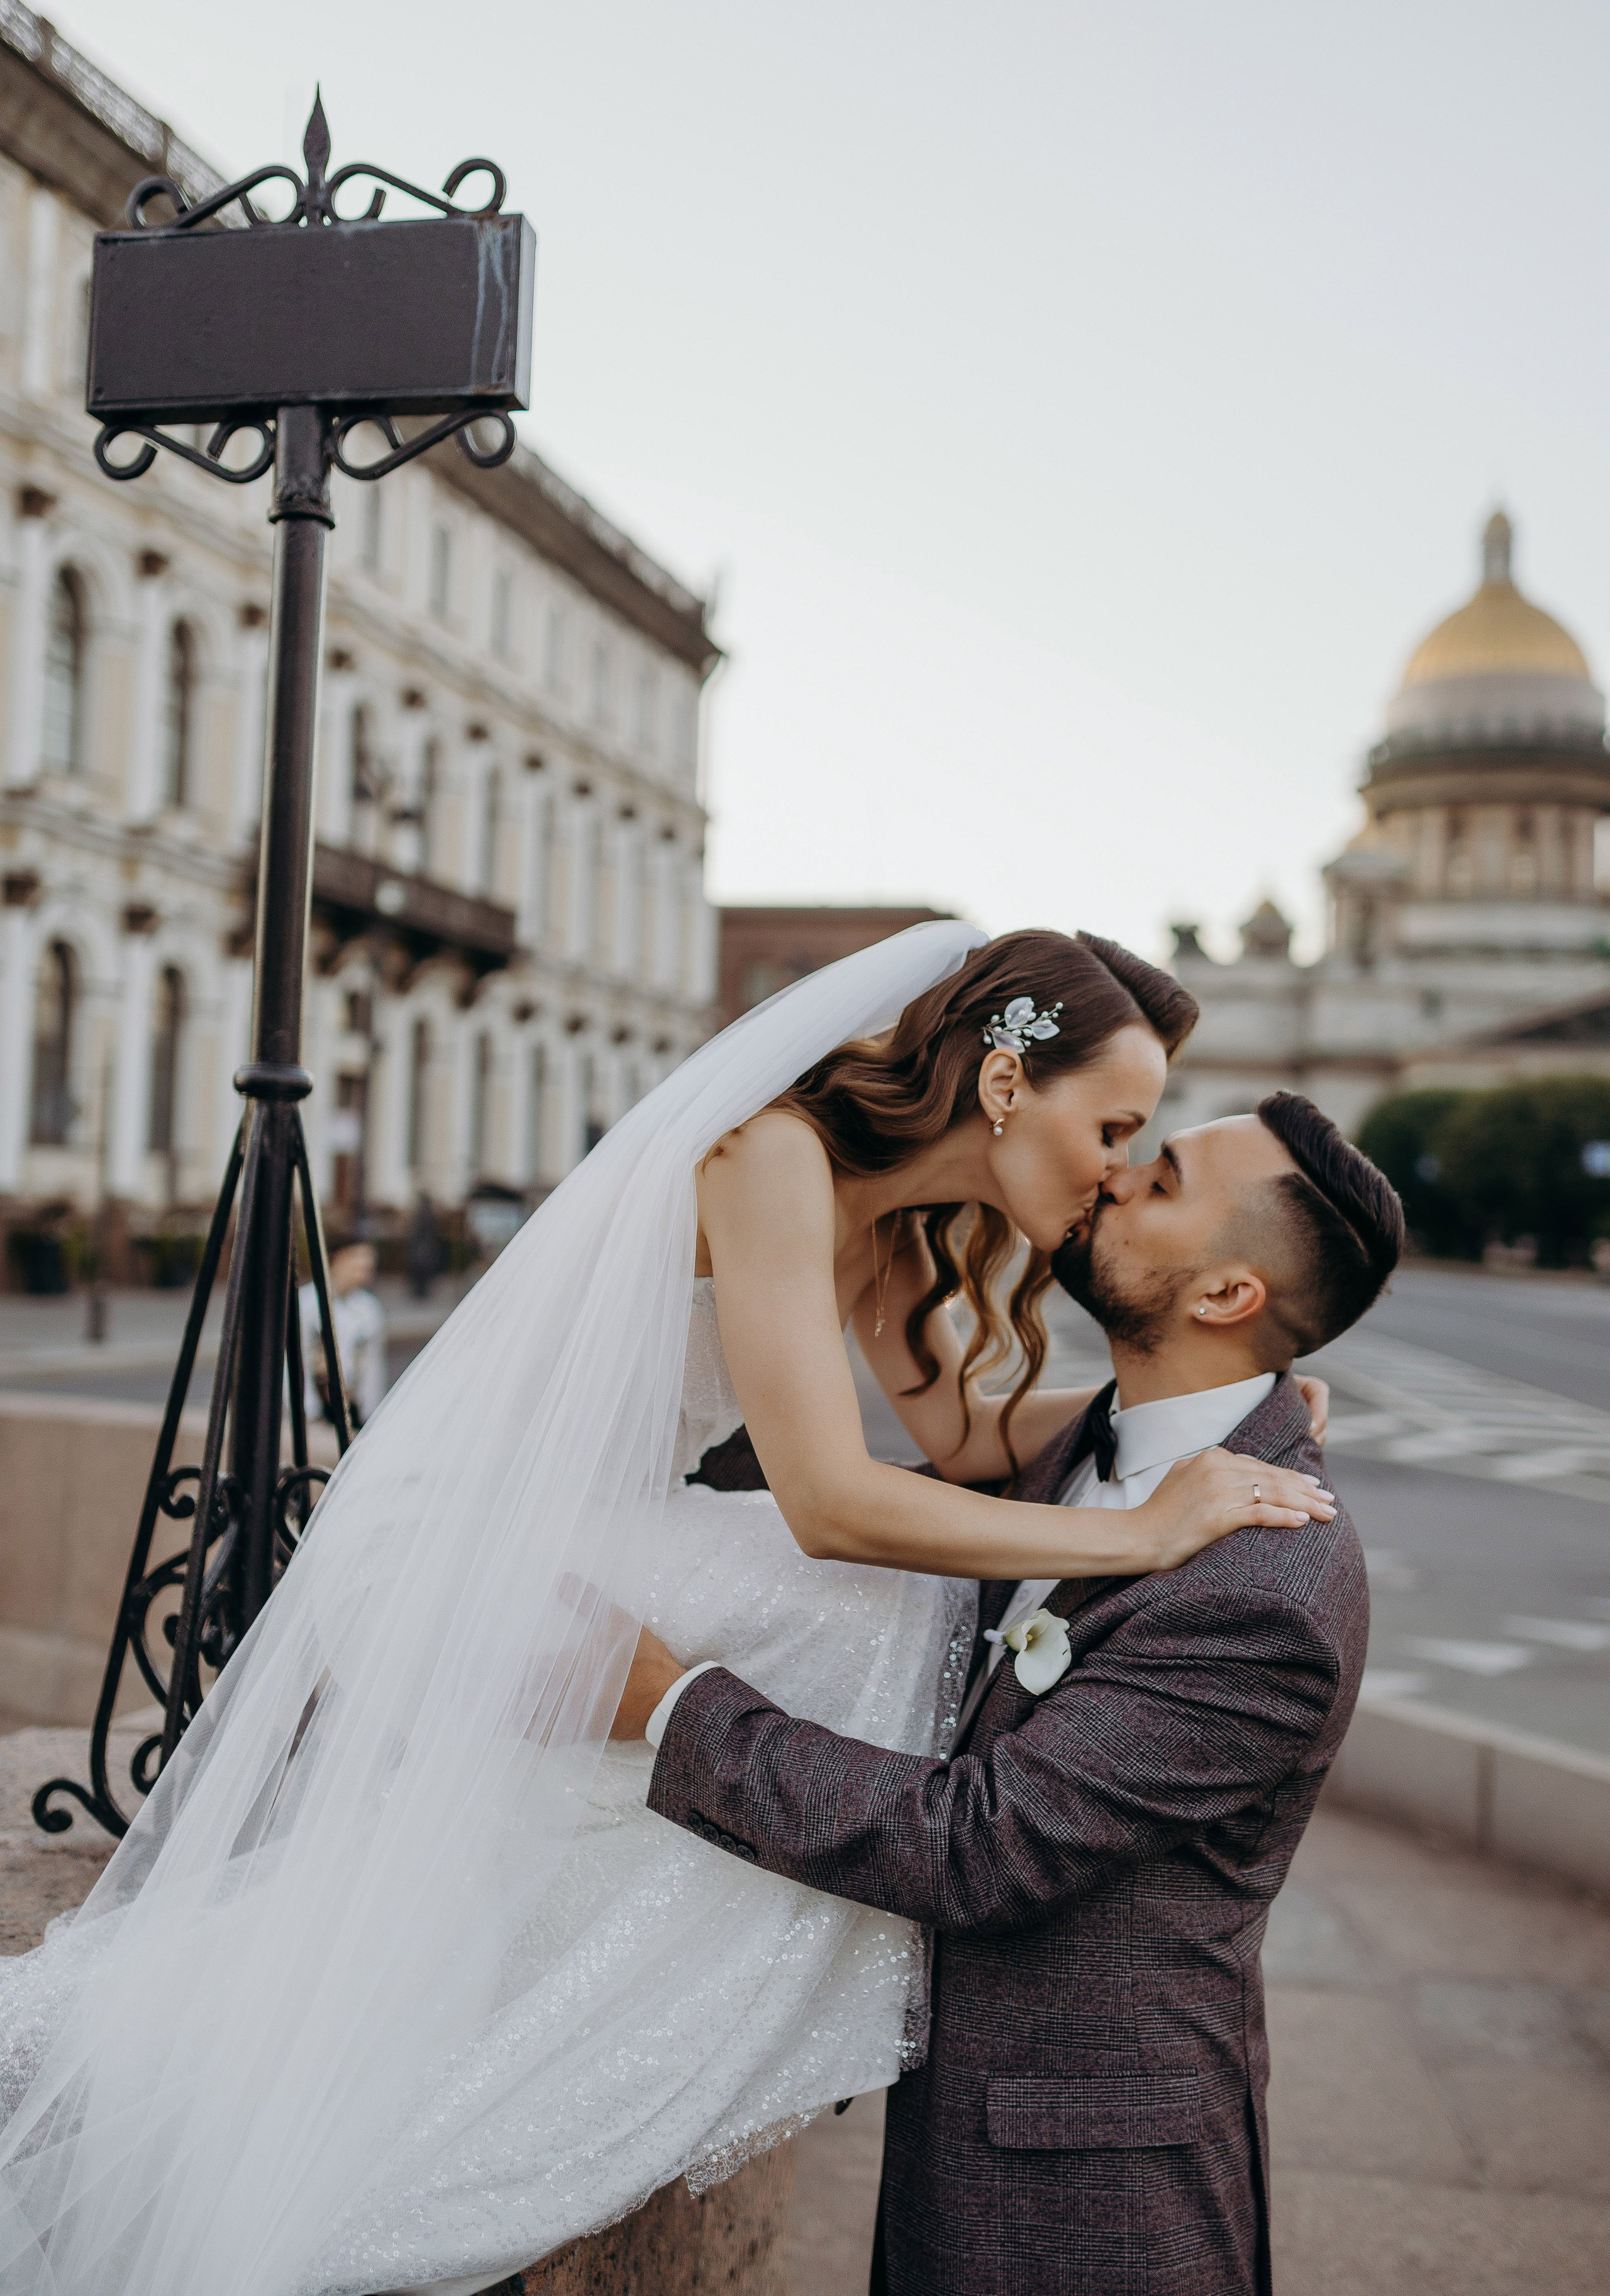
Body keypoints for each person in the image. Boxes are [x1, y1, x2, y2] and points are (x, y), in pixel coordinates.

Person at [0, 925, 1335, 2295]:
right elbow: (826, 1502)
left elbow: (973, 1440)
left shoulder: (906, 1226)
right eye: (1115, 1124)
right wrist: (1140, 1533)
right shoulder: (772, 1156)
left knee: (865, 1630)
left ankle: (643, 1995)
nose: (1119, 1168)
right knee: (887, 1607)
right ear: (1005, 1085)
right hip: (463, 1554)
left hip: (591, 1537)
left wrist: (1217, 1416)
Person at [617, 1091, 1403, 2296]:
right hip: (973, 2129)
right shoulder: (1093, 1448)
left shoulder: (1267, 1587)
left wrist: (670, 1706)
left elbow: (979, 1846)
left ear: (1227, 1297)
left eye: (1167, 1178)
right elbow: (808, 1495)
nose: (1122, 1174)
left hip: (1092, 2194)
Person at [299, 1236, 387, 1427]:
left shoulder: (369, 1308)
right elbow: (297, 1360)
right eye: (355, 1257)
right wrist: (309, 1412)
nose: (365, 1265)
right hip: (315, 1408)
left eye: (368, 1260)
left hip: (353, 1406)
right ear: (334, 1260)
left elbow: (373, 1364)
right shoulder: (306, 1304)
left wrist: (371, 1411)